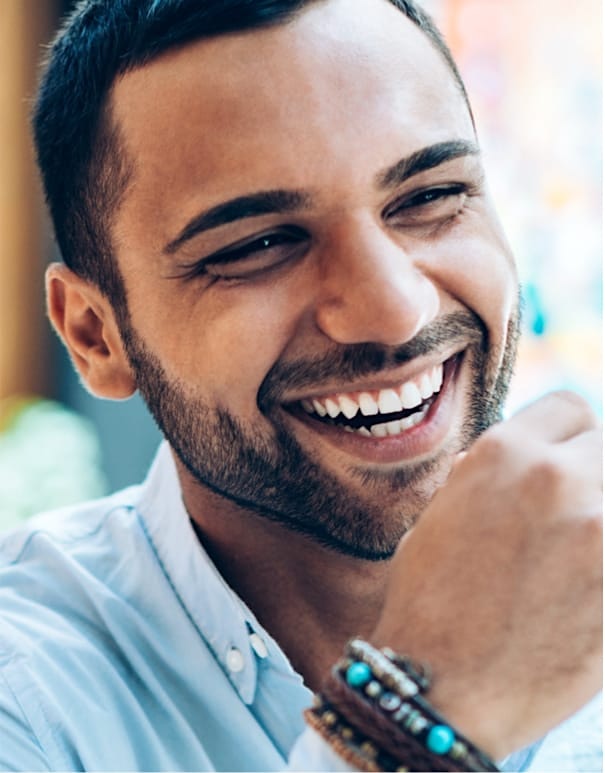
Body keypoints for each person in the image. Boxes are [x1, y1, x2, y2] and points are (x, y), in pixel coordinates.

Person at [0, 0, 601, 770]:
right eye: (259, 244)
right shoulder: (29, 695)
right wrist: (418, 720)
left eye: (428, 196)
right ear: (94, 334)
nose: (393, 310)